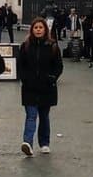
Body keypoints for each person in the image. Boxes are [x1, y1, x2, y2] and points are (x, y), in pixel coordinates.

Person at [18, 16, 63, 156]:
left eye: (40, 27)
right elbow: (20, 65)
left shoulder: (52, 46)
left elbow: (58, 66)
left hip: (46, 87)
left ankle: (44, 143)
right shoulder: (25, 46)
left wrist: (52, 78)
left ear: (45, 30)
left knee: (44, 116)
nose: (38, 30)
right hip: (30, 87)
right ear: (32, 30)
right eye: (36, 28)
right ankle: (27, 143)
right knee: (31, 115)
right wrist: (24, 78)